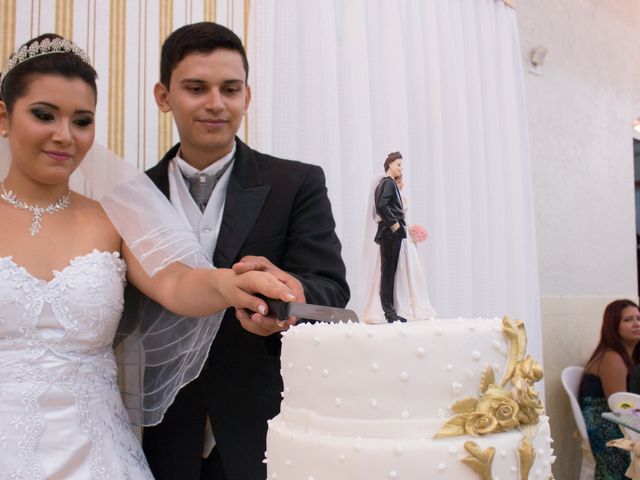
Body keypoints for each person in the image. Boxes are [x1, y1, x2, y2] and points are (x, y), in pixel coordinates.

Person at [0, 34, 297, 478]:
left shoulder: (111, 218)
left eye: (82, 121)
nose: (65, 136)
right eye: (44, 115)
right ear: (4, 117)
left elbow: (175, 281)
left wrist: (226, 283)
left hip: (94, 453)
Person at [138, 22, 349, 480]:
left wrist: (288, 295)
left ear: (247, 97)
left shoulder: (297, 183)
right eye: (196, 88)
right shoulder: (131, 196)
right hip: (161, 431)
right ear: (163, 96)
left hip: (265, 425)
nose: (216, 103)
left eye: (230, 89)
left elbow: (331, 290)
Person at [580, 299, 640, 479]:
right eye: (628, 320)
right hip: (607, 427)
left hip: (622, 422)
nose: (636, 323)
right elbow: (621, 408)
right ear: (613, 326)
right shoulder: (611, 358)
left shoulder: (629, 356)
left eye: (638, 318)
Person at [373, 151, 407, 323]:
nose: (401, 169)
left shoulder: (389, 183)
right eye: (398, 165)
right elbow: (381, 205)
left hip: (391, 234)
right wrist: (395, 225)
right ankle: (389, 314)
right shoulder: (388, 183)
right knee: (388, 273)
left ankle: (391, 312)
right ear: (390, 165)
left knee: (390, 272)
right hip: (390, 234)